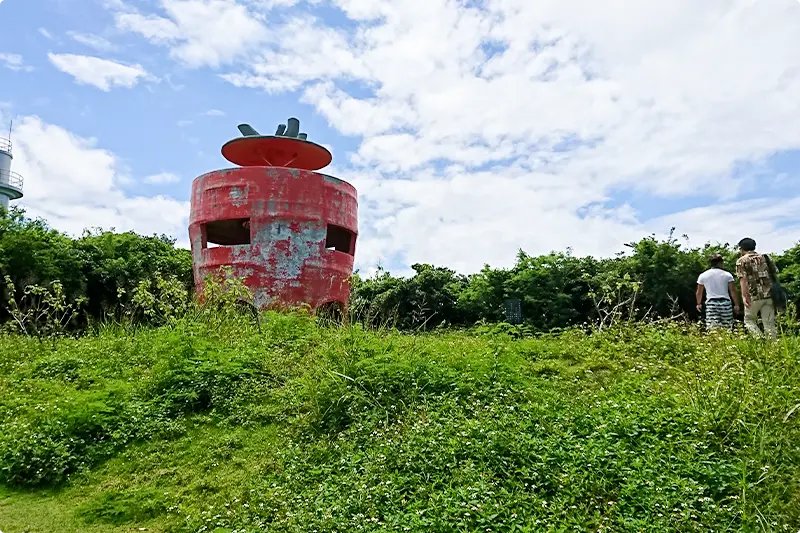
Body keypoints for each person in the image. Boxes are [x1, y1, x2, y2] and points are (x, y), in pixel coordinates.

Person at [735, 237, 778, 340]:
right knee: (769, 323)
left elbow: (743, 280)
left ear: (742, 249)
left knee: (749, 320)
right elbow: (775, 273)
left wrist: (744, 296)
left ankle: (759, 340)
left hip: (753, 295)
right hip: (769, 294)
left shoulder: (742, 261)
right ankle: (773, 346)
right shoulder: (766, 257)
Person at [696, 254, 739, 330]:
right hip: (725, 303)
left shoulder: (703, 275)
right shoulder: (727, 275)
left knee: (712, 328)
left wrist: (699, 303)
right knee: (727, 327)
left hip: (711, 303)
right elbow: (733, 291)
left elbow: (699, 292)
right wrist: (736, 304)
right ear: (720, 263)